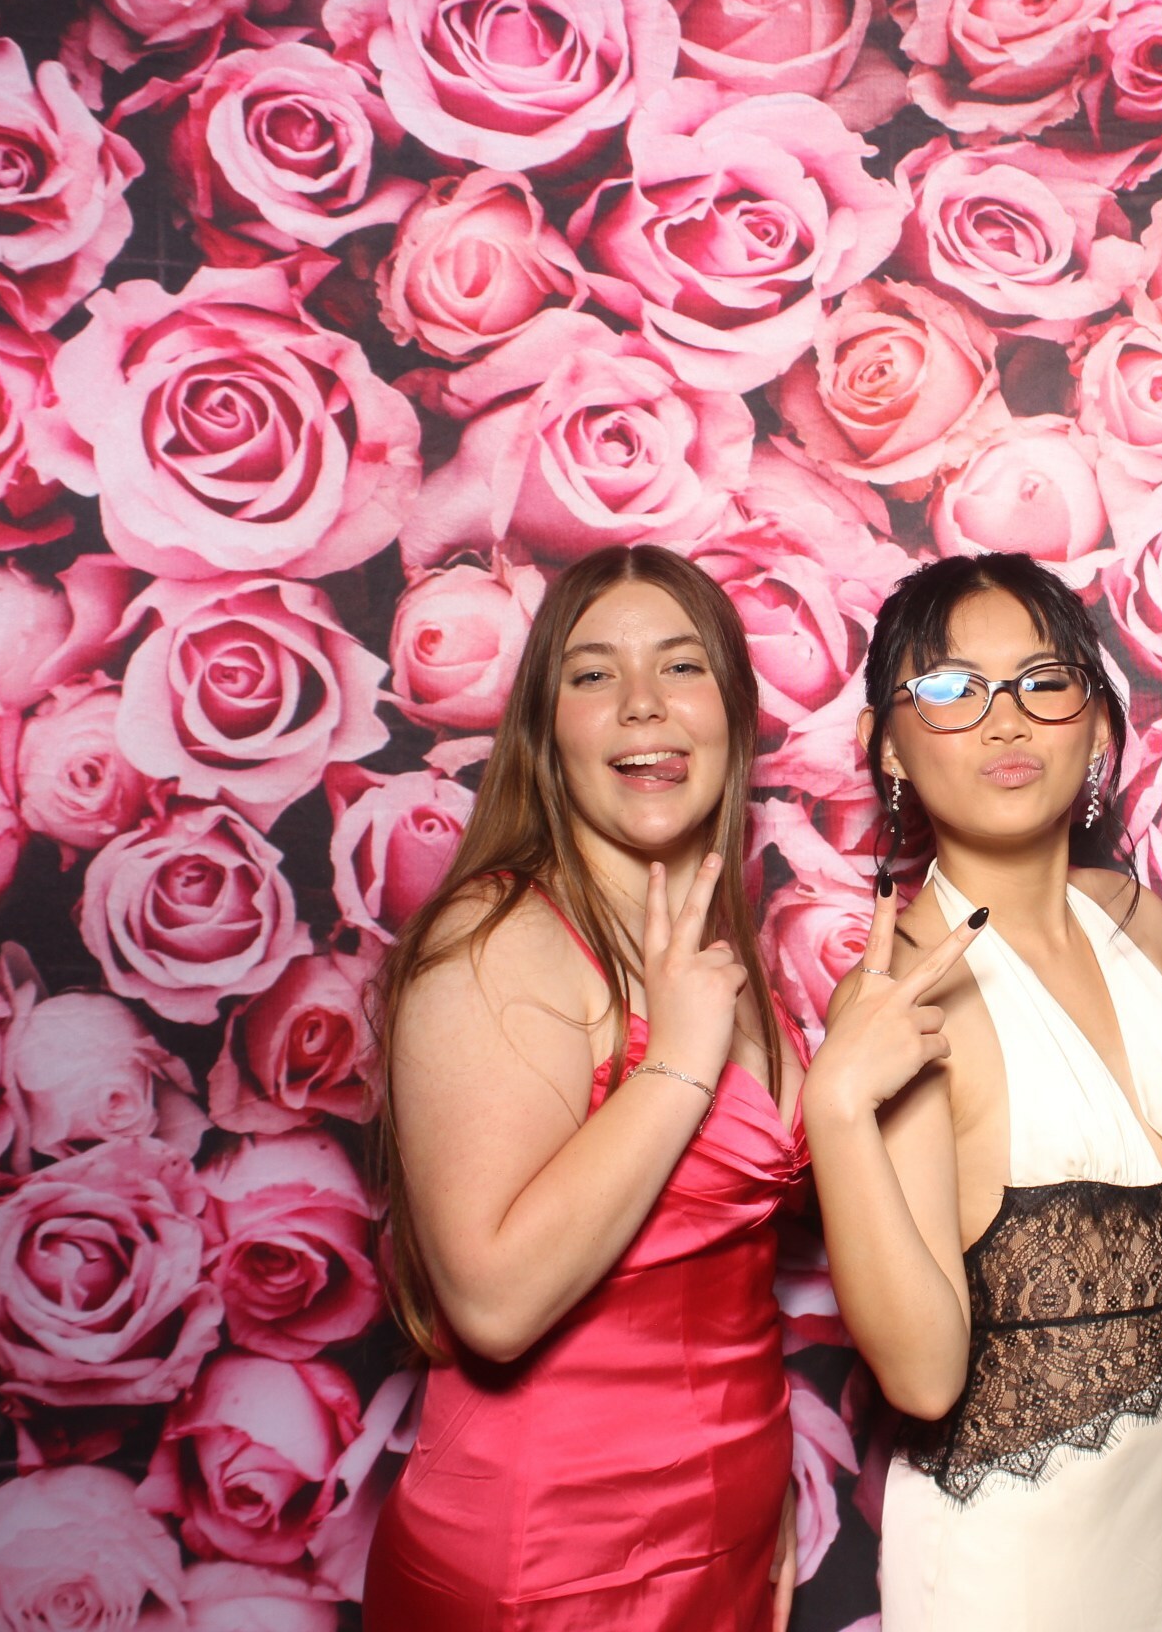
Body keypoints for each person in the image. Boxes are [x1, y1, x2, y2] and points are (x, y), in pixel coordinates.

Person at [362, 546, 819, 1630]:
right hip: (548, 1569)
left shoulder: (716, 948)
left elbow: (715, 1281)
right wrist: (678, 1064)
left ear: (735, 715)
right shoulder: (497, 938)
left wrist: (752, 1488)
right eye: (594, 674)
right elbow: (493, 1304)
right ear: (546, 729)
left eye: (682, 666)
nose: (643, 703)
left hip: (716, 1543)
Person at [803, 553, 1162, 1632]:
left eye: (1044, 682)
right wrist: (837, 1110)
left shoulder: (1137, 922)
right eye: (952, 688)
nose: (1006, 721)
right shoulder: (903, 994)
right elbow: (923, 1379)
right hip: (1012, 1571)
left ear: (1097, 726)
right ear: (886, 746)